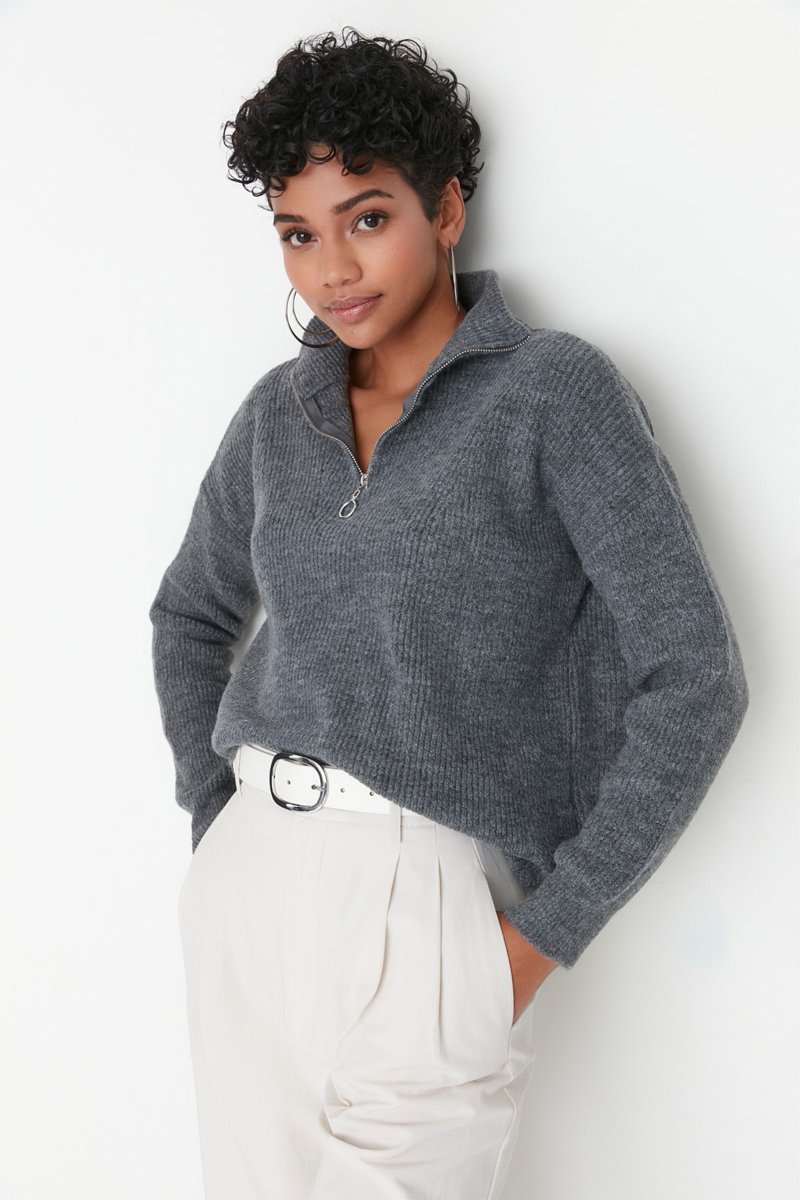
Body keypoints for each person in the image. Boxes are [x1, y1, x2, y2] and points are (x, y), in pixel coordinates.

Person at [148, 27, 749, 1200]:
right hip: (252, 884)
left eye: (366, 217)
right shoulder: (277, 415)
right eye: (298, 233)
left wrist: (541, 935)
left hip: (433, 898)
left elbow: (694, 674)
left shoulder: (550, 394)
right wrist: (216, 820)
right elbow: (189, 615)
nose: (333, 268)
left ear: (446, 209)